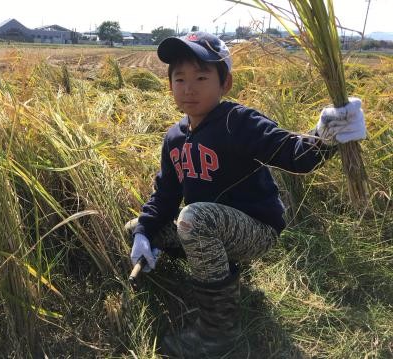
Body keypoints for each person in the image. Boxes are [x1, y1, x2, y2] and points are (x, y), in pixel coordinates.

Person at [127, 31, 366, 358]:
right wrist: (144, 231)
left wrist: (326, 136)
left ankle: (217, 332)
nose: (189, 88)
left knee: (193, 218)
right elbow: (165, 194)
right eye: (179, 78)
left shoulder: (238, 121)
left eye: (201, 77)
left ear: (225, 84)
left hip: (255, 230)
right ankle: (202, 280)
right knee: (140, 228)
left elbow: (294, 154)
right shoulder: (174, 139)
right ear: (170, 85)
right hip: (211, 230)